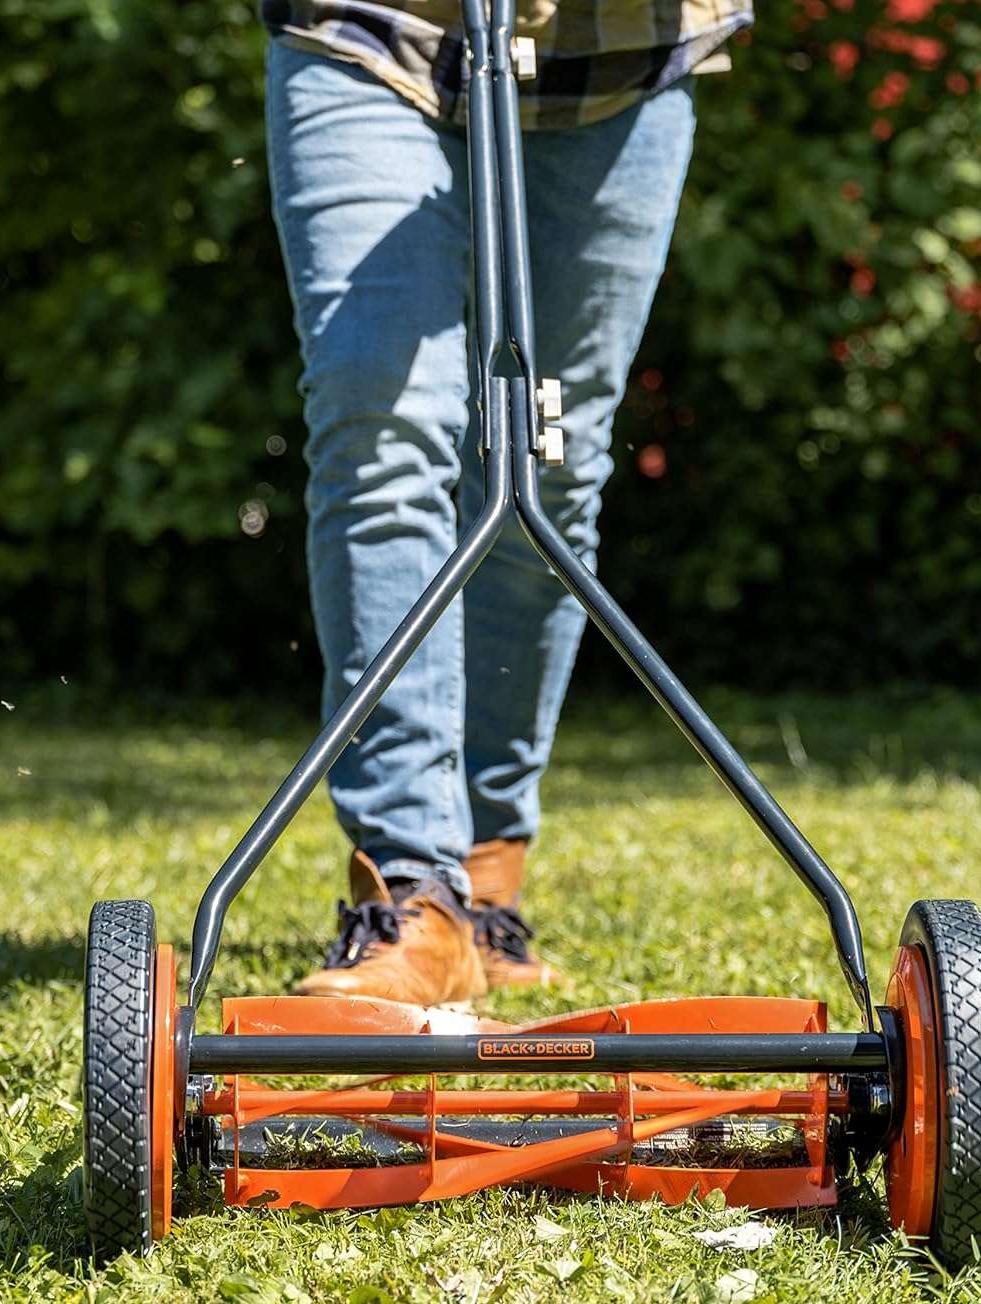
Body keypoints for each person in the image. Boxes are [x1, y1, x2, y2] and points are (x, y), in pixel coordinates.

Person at [263, 0, 751, 1005]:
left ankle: (486, 879)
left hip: (615, 61)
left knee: (548, 468)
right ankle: (413, 889)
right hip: (370, 33)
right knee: (378, 423)